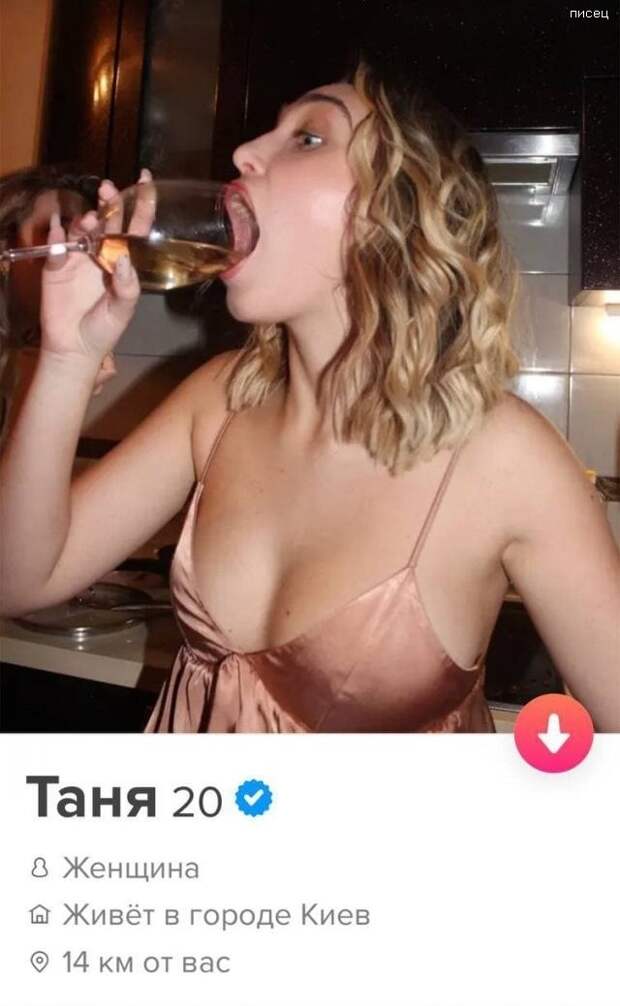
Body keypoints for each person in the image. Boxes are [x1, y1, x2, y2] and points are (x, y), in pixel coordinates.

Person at [0, 61, 618, 733]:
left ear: (394, 210)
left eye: (309, 137)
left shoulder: (505, 457)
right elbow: (20, 582)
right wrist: (67, 358)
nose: (243, 152)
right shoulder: (217, 402)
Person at [0, 166, 117, 447]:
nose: (77, 255)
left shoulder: (34, 355)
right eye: (56, 231)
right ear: (5, 248)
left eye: (87, 243)